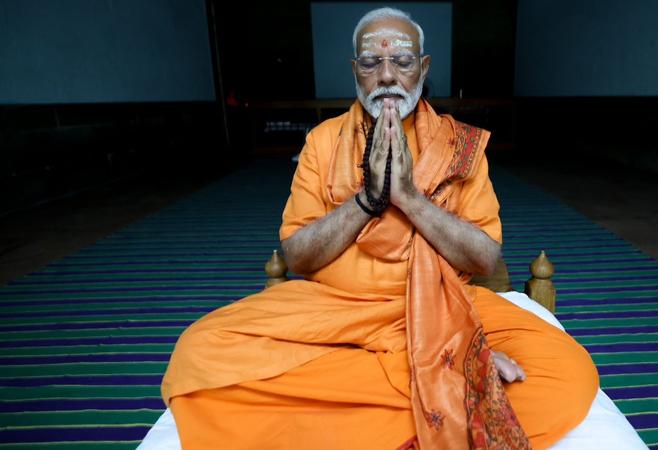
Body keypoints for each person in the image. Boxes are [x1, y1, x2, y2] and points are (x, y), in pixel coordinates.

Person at [161, 7, 598, 449]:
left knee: (569, 375)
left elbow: (485, 257)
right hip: (336, 309)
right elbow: (297, 256)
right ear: (355, 70)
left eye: (403, 62)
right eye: (370, 63)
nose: (386, 76)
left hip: (447, 308)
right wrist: (367, 199)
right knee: (199, 350)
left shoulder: (460, 145)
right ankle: (434, 376)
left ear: (423, 68)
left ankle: (405, 379)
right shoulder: (323, 142)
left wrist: (409, 197)